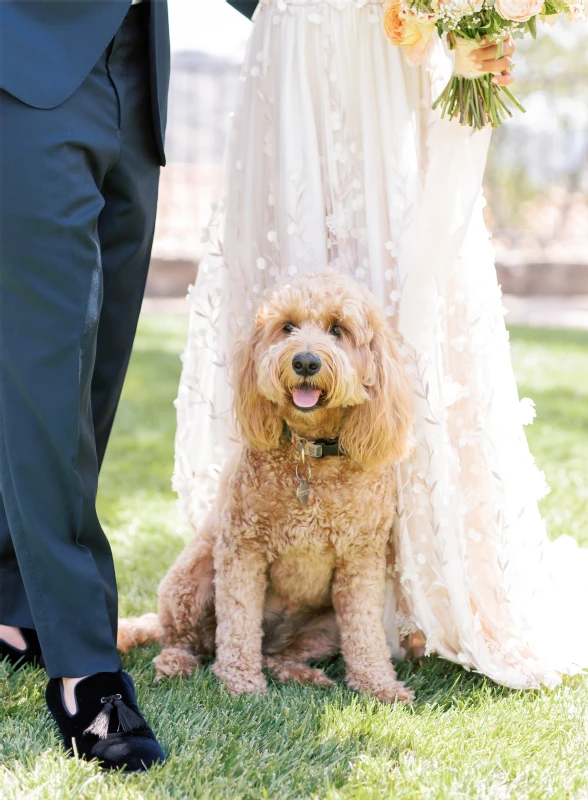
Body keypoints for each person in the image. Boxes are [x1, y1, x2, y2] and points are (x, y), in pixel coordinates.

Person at [174, 0, 588, 691]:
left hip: (388, 54)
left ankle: (418, 596)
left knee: (405, 286)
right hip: (291, 45)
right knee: (290, 269)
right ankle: (247, 635)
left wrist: (464, 26)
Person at [0, 0, 169, 772]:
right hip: (26, 48)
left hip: (135, 56)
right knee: (49, 362)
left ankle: (16, 604)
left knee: (98, 360)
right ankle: (82, 668)